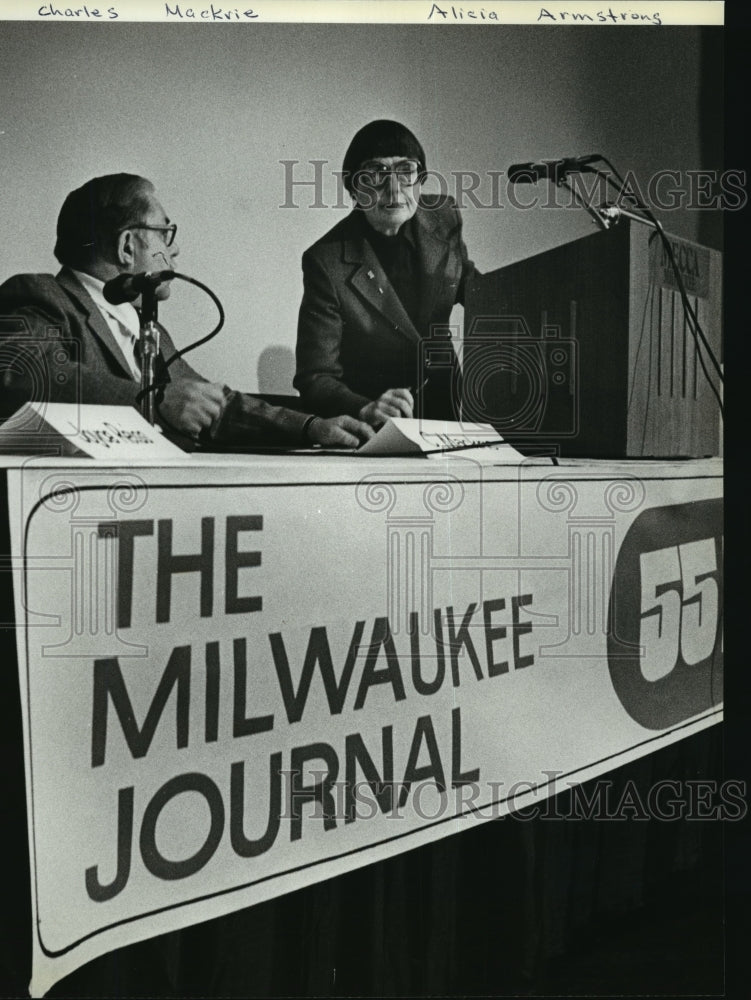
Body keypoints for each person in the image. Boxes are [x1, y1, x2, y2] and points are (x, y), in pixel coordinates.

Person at [0, 173, 373, 449]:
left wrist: (311, 428)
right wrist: (154, 402)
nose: (174, 251)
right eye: (165, 233)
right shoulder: (41, 295)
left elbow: (217, 405)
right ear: (127, 247)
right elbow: (22, 374)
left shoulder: (150, 329)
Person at [294, 119, 474, 428]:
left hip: (447, 410)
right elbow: (315, 378)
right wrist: (365, 409)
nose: (393, 190)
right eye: (375, 174)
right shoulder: (326, 261)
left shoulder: (443, 218)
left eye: (406, 171)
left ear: (420, 179)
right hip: (377, 425)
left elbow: (474, 287)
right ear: (354, 187)